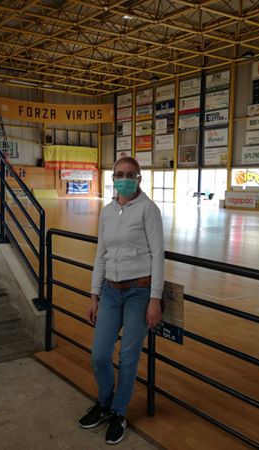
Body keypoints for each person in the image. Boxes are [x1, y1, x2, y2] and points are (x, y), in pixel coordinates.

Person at [78, 156, 165, 445]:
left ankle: (119, 411)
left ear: (139, 179)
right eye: (119, 174)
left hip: (139, 293)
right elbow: (100, 254)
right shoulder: (107, 212)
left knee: (128, 357)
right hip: (110, 293)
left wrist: (155, 299)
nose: (124, 179)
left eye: (130, 174)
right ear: (113, 178)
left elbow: (158, 255)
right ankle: (104, 402)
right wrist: (94, 295)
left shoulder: (148, 210)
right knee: (99, 355)